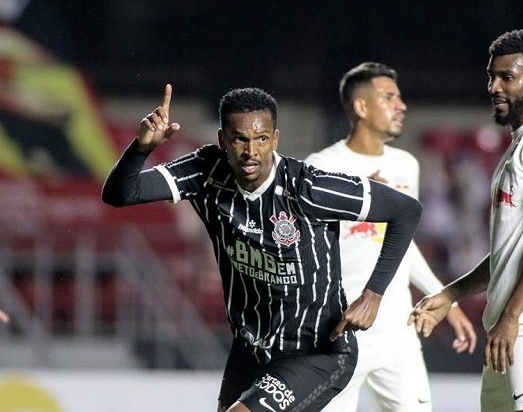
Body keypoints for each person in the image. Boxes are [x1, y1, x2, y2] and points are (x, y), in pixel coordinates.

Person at [102, 85, 423, 412]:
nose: (251, 151)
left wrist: (373, 295)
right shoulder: (205, 171)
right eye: (239, 139)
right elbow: (120, 194)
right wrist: (140, 149)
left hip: (314, 352)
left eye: (262, 139)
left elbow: (406, 210)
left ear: (275, 139)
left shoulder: (307, 187)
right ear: (222, 139)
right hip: (250, 348)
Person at [409, 29, 523, 412]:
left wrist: (512, 315)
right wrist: (450, 294)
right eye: (492, 77)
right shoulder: (519, 144)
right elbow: (508, 254)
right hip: (507, 325)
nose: (494, 87)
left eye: (507, 77)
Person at [305, 61, 476, 412]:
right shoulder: (321, 166)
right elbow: (307, 244)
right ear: (361, 106)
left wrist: (447, 299)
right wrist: (357, 199)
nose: (401, 106)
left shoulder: (405, 165)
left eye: (399, 97)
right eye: (389, 98)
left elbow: (402, 244)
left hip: (397, 330)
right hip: (338, 328)